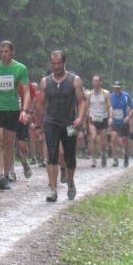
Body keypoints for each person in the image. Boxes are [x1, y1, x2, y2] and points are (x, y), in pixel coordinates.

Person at [35, 50, 87, 202]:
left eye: (59, 63)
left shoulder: (74, 80)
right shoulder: (45, 82)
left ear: (64, 63)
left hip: (70, 124)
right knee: (52, 155)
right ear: (50, 64)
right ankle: (53, 190)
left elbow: (82, 101)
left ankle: (70, 182)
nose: (56, 67)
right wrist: (39, 124)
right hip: (51, 122)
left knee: (70, 156)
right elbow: (40, 104)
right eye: (53, 64)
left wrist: (80, 117)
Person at [0, 41, 32, 189]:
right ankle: (0, 176)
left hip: (13, 109)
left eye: (6, 51)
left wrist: (24, 110)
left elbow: (27, 92)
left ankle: (6, 175)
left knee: (9, 143)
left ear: (12, 52)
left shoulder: (20, 68)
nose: (3, 54)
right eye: (1, 51)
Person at [85, 75, 112, 167]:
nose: (95, 83)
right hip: (92, 119)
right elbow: (86, 107)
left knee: (103, 141)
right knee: (93, 138)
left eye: (97, 81)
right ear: (92, 82)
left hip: (103, 118)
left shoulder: (106, 93)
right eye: (94, 81)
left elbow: (109, 106)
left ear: (100, 82)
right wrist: (84, 120)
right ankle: (93, 159)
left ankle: (103, 153)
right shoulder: (89, 94)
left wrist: (110, 117)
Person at [109, 81, 133, 167]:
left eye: (118, 88)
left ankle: (126, 156)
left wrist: (128, 117)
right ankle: (115, 159)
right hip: (115, 121)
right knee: (113, 138)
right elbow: (110, 107)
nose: (117, 89)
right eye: (115, 88)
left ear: (121, 88)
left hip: (124, 122)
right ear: (113, 88)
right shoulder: (111, 96)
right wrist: (110, 117)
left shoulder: (126, 96)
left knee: (124, 141)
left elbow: (132, 108)